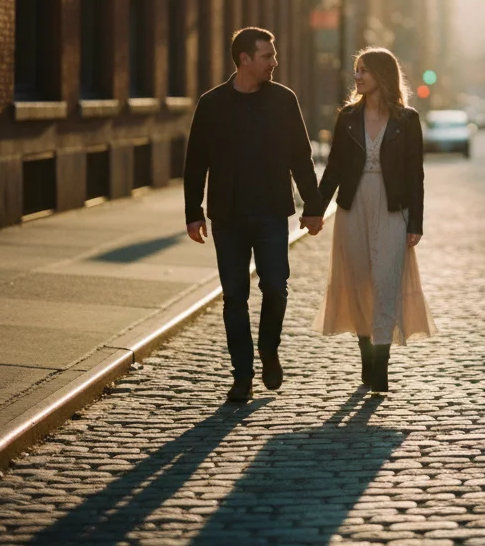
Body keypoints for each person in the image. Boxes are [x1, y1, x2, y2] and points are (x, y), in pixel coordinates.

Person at [183, 27, 323, 403]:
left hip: (271, 211)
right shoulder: (211, 104)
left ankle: (268, 348)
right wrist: (193, 213)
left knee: (275, 286)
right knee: (234, 298)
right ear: (244, 59)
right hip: (227, 216)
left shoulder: (283, 100)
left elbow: (301, 156)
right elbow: (195, 162)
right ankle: (242, 375)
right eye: (267, 56)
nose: (274, 63)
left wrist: (313, 206)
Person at [305, 47, 435, 393]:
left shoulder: (407, 121)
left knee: (386, 282)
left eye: (364, 70)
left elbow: (415, 175)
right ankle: (367, 358)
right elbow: (333, 168)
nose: (357, 76)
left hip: (394, 207)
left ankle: (381, 365)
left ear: (382, 75)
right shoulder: (347, 116)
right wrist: (315, 209)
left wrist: (416, 223)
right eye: (356, 70)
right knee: (360, 282)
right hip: (353, 206)